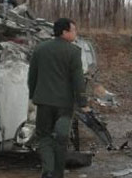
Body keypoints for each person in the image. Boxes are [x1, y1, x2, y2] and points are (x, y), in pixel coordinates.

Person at [28, 18, 90, 178]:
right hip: (64, 106)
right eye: (74, 30)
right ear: (65, 32)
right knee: (61, 139)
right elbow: (78, 80)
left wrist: (32, 96)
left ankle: (47, 171)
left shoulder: (40, 49)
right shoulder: (74, 51)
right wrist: (83, 102)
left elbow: (32, 76)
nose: (76, 33)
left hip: (43, 102)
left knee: (44, 136)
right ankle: (57, 174)